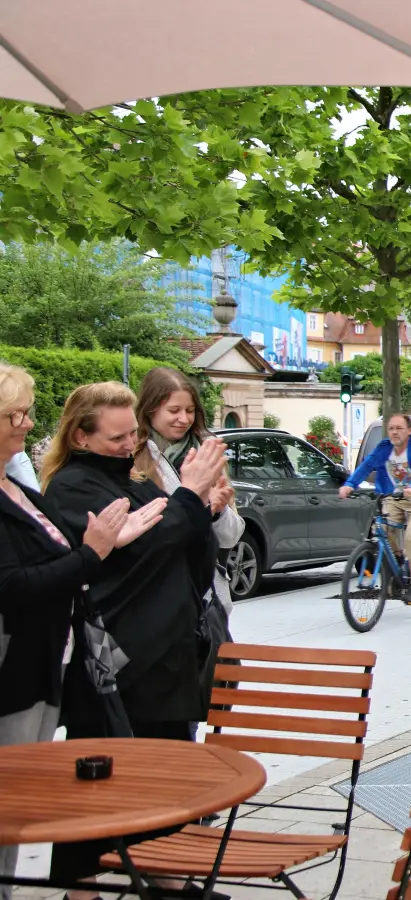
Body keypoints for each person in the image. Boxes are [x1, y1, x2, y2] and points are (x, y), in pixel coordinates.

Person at [41, 382, 225, 892]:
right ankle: (83, 882)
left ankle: (161, 874)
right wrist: (187, 498)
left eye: (132, 435)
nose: (129, 446)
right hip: (116, 662)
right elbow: (147, 550)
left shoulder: (133, 480)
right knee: (103, 778)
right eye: (118, 437)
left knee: (162, 772)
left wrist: (199, 506)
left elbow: (182, 539)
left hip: (164, 653)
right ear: (81, 436)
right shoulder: (74, 488)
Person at [0, 365, 161, 900]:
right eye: (13, 415)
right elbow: (16, 586)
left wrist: (102, 547)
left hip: (45, 664)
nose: (25, 424)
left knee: (17, 805)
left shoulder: (14, 485)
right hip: (15, 670)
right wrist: (95, 552)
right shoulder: (54, 485)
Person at [133, 367, 244, 610]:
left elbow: (230, 537)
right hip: (156, 594)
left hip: (207, 598)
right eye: (174, 411)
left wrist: (217, 511)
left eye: (190, 411)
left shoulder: (208, 452)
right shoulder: (133, 455)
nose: (184, 419)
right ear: (150, 409)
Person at [339, 414, 411, 602]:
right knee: (382, 530)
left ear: (409, 430)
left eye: (399, 428)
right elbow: (367, 465)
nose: (394, 432)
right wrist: (350, 484)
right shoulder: (384, 448)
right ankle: (397, 561)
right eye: (391, 428)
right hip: (395, 497)